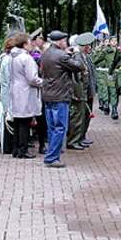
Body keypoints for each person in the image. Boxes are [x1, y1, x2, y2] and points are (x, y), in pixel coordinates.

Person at [40, 30, 84, 168]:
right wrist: (76, 53)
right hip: (60, 95)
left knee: (52, 127)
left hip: (48, 95)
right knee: (60, 127)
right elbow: (79, 66)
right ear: (59, 41)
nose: (65, 43)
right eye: (64, 41)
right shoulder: (61, 55)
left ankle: (52, 154)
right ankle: (52, 157)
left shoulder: (45, 54)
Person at [8, 33, 43, 159]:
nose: (31, 45)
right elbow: (32, 78)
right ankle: (23, 149)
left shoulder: (12, 56)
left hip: (16, 90)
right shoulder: (26, 58)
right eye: (29, 43)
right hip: (26, 91)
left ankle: (16, 149)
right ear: (24, 44)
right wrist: (42, 82)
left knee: (17, 121)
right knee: (25, 122)